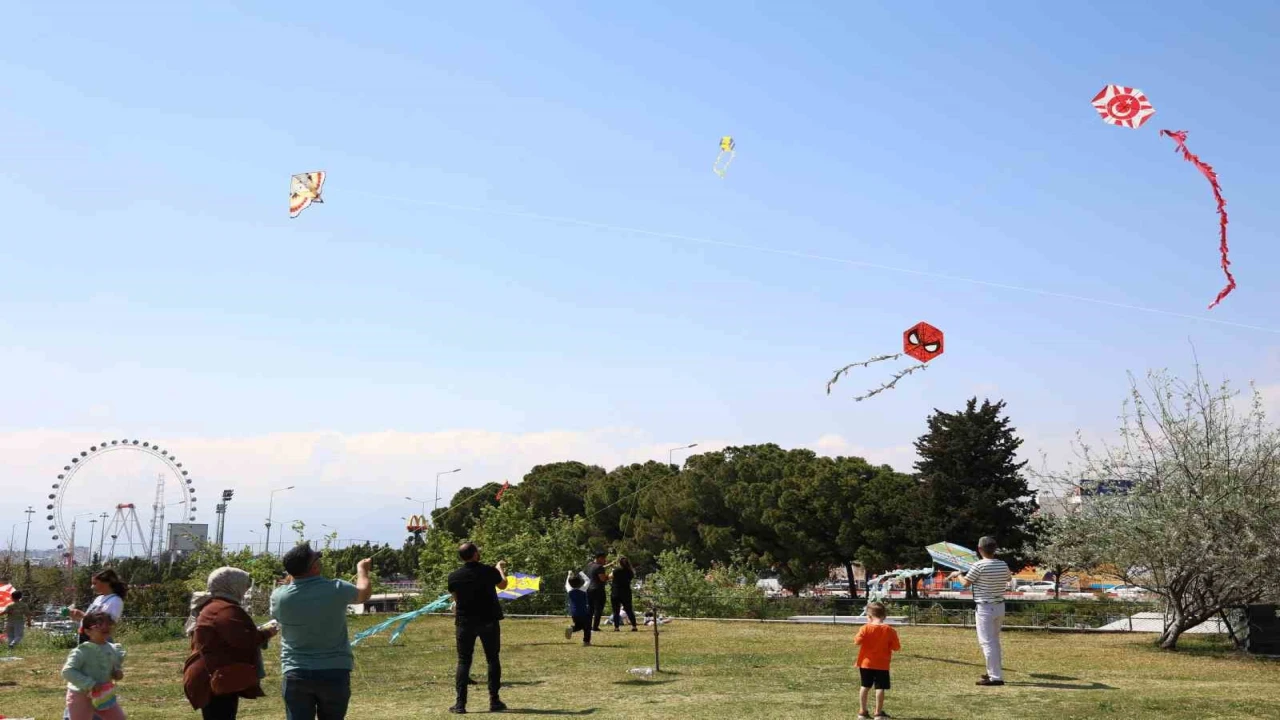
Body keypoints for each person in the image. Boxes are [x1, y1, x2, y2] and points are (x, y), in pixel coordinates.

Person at [271, 543, 372, 720]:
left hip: (296, 671)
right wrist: (362, 570)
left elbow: (281, 613)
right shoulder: (337, 588)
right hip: (335, 670)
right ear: (315, 566)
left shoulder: (279, 596)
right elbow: (363, 594)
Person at [184, 567, 280, 719]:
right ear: (232, 585)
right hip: (216, 675)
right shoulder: (225, 609)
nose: (245, 589)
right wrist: (267, 633)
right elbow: (244, 640)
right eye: (243, 585)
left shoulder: (215, 605)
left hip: (214, 673)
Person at [447, 542, 508, 714]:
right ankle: (494, 701)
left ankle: (460, 704)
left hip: (465, 622)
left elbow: (456, 599)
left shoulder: (454, 577)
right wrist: (499, 568)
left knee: (464, 661)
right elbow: (503, 585)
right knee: (492, 659)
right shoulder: (489, 571)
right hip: (488, 620)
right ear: (475, 554)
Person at [948, 536, 1012, 686]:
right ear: (995, 549)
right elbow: (1008, 578)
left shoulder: (978, 566)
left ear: (980, 549)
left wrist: (958, 575)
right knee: (994, 641)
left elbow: (965, 584)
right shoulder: (1002, 564)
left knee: (987, 643)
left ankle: (995, 677)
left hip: (985, 607)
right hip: (999, 606)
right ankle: (994, 672)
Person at [61, 611, 126, 720]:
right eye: (99, 625)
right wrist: (90, 683)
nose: (105, 627)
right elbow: (67, 671)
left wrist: (117, 672)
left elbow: (114, 664)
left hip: (104, 694)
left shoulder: (113, 648)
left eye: (108, 623)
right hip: (81, 695)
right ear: (87, 631)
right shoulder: (82, 651)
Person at [853, 602, 900, 719]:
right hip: (882, 664)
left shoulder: (865, 628)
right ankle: (878, 713)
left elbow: (857, 641)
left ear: (869, 616)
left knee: (865, 686)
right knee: (880, 687)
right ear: (884, 616)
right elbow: (896, 647)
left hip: (866, 663)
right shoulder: (889, 630)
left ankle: (862, 711)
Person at [70, 570, 127, 643]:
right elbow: (89, 619)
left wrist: (83, 616)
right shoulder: (98, 599)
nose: (92, 587)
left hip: (100, 641)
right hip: (87, 638)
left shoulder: (115, 601)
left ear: (107, 583)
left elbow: (108, 625)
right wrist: (77, 617)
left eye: (95, 583)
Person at [610, 556, 638, 632]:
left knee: (616, 611)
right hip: (626, 592)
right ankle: (634, 626)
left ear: (619, 563)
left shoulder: (616, 570)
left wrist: (613, 568)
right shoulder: (630, 571)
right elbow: (629, 575)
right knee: (629, 610)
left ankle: (616, 627)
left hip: (616, 592)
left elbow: (610, 576)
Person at [563, 572, 591, 646]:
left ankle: (572, 628)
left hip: (574, 613)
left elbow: (566, 583)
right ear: (580, 583)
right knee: (587, 627)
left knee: (579, 626)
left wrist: (569, 574)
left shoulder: (569, 591)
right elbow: (588, 580)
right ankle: (586, 642)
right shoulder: (582, 590)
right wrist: (581, 572)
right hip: (583, 612)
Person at [584, 551, 609, 632]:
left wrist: (609, 565)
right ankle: (595, 627)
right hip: (598, 590)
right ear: (599, 558)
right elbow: (602, 579)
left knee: (590, 609)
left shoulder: (589, 565)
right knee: (598, 609)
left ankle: (587, 625)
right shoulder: (600, 567)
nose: (605, 561)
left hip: (589, 589)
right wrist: (609, 576)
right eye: (604, 559)